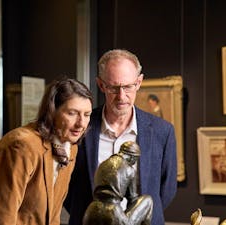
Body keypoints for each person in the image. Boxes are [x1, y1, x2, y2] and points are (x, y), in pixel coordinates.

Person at [0, 77, 93, 225]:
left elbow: (53, 215)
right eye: (72, 113)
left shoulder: (70, 147)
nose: (81, 124)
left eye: (87, 115)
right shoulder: (21, 146)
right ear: (52, 111)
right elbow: (1, 218)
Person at [64, 49, 177, 225]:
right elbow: (67, 188)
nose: (121, 96)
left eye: (128, 86)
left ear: (139, 82)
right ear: (101, 85)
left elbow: (166, 190)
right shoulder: (81, 128)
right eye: (113, 88)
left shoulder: (162, 132)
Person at [83, 141, 153, 225]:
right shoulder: (129, 169)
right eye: (135, 160)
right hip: (113, 212)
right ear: (132, 157)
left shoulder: (103, 164)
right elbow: (133, 200)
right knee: (148, 200)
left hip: (91, 211)